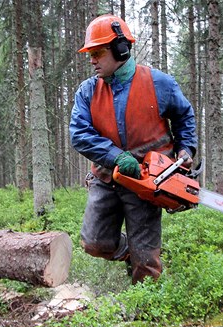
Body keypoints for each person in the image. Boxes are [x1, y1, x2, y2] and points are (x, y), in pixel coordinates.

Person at [69, 14, 198, 284]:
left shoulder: (159, 83)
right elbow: (79, 134)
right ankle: (130, 253)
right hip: (107, 177)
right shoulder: (88, 91)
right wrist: (117, 157)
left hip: (148, 182)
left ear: (120, 49)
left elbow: (184, 117)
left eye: (97, 52)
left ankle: (147, 312)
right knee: (94, 242)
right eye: (89, 53)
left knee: (147, 263)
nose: (92, 59)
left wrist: (186, 149)